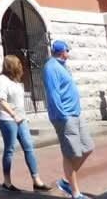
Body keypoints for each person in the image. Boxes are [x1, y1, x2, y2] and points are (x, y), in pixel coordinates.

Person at [43, 40, 93, 199]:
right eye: (67, 51)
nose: (68, 54)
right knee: (70, 154)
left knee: (88, 147)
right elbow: (53, 93)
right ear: (61, 51)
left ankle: (66, 181)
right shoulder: (51, 67)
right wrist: (62, 115)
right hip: (65, 117)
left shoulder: (62, 65)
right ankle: (75, 193)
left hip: (76, 114)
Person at [0, 54, 52, 192]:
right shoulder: (2, 80)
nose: (21, 66)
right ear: (11, 65)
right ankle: (7, 182)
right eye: (18, 63)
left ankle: (36, 180)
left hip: (21, 119)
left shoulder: (16, 80)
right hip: (7, 119)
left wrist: (22, 117)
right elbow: (1, 100)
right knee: (9, 150)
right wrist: (13, 115)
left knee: (29, 147)